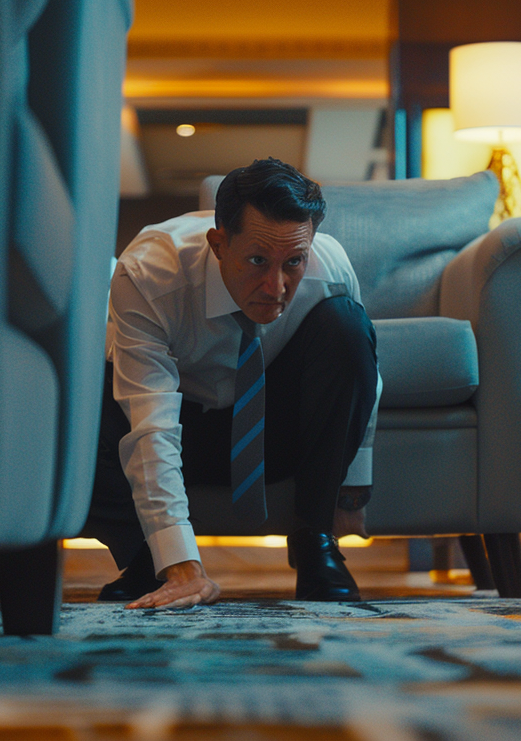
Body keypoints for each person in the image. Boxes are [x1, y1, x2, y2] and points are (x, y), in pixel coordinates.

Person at [82, 157, 380, 610]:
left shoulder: (331, 268)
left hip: (272, 434)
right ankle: (147, 560)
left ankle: (314, 544)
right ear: (219, 244)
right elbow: (151, 424)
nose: (276, 286)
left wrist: (350, 495)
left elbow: (362, 380)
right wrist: (179, 563)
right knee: (90, 392)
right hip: (181, 428)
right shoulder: (148, 274)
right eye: (258, 261)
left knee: (349, 328)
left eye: (293, 262)